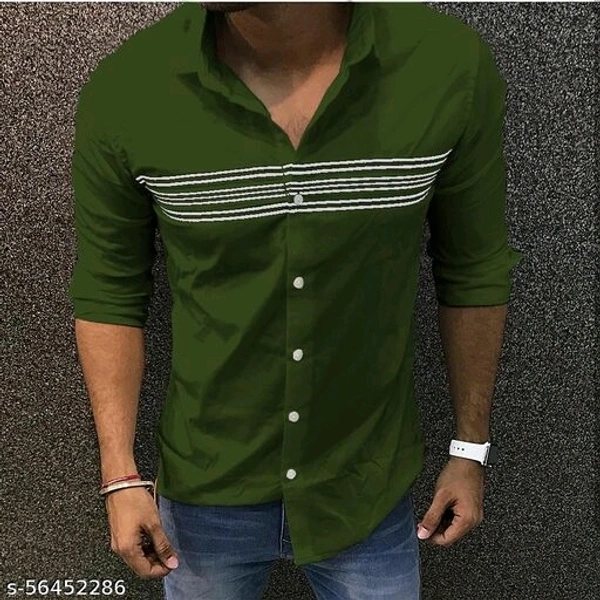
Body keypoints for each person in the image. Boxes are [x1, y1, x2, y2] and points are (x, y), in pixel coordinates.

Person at [69, 2, 522, 599]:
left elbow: (473, 270)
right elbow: (109, 290)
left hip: (365, 492)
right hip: (205, 496)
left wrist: (469, 448)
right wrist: (119, 477)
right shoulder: (130, 88)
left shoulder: (446, 69)